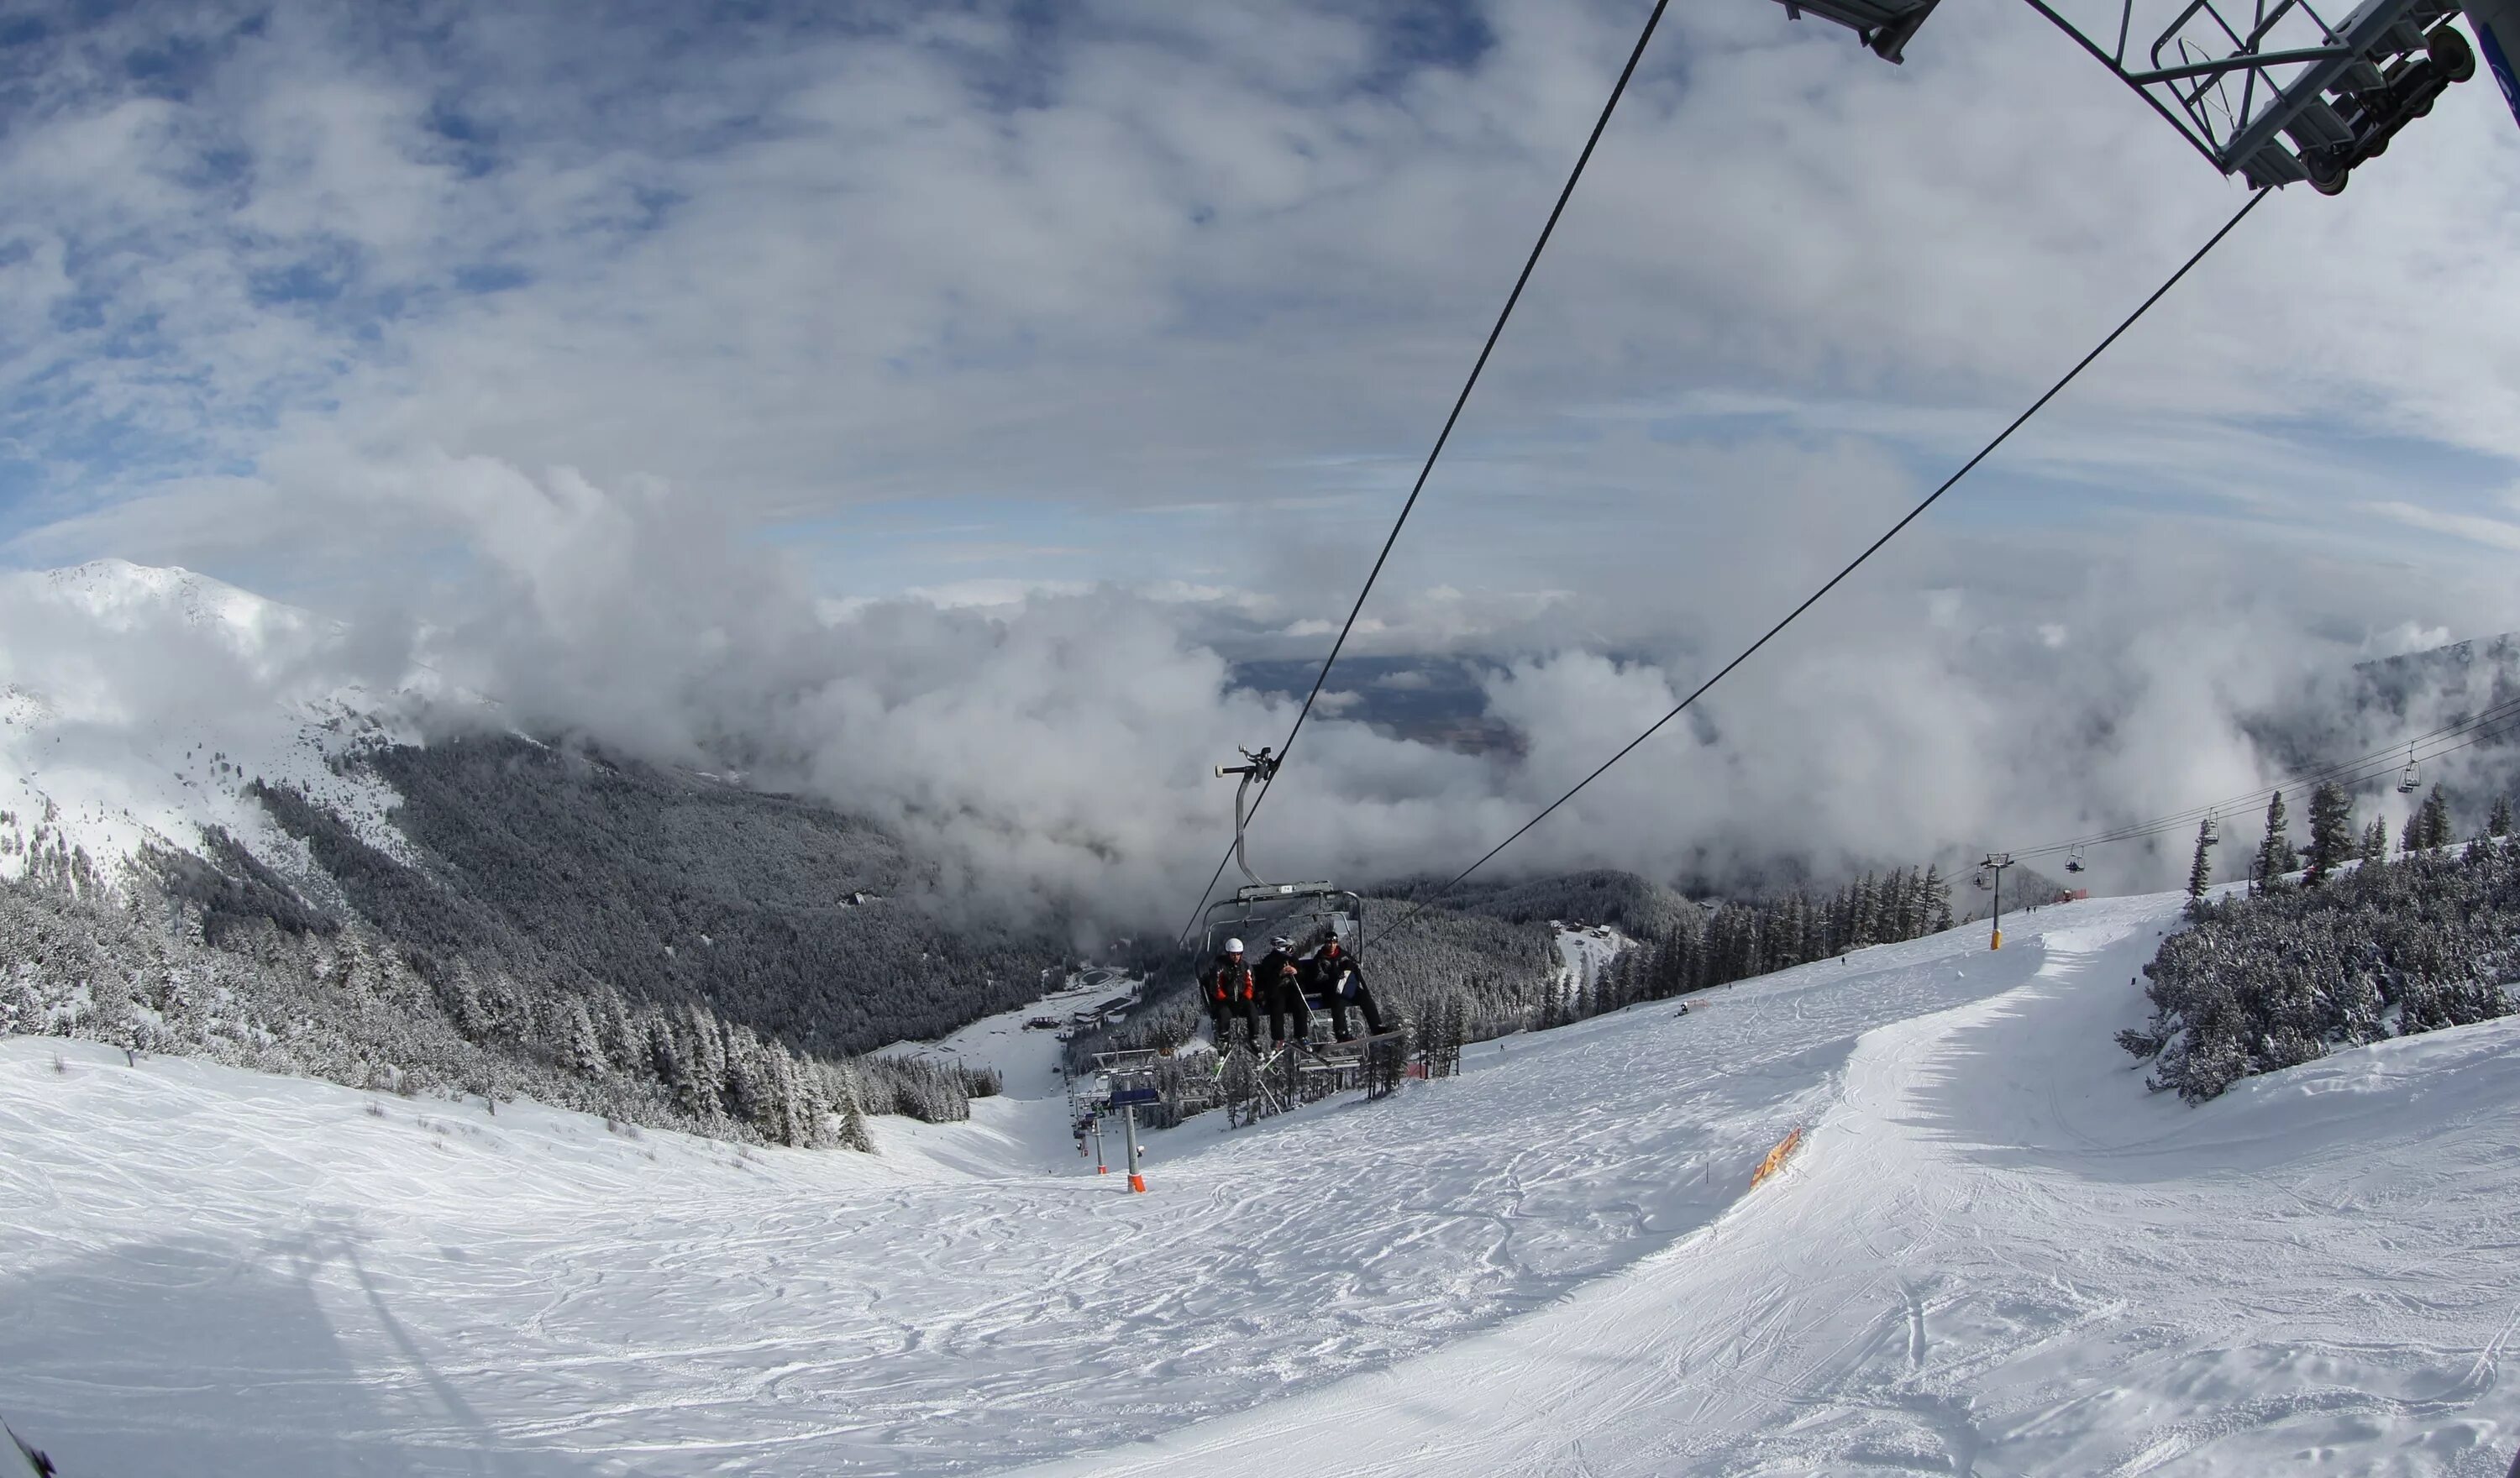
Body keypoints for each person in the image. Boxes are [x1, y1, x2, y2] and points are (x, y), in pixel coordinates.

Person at [1307, 937, 1387, 1041]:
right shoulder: (1319, 959)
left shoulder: (1343, 955)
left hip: (1347, 988)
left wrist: (1351, 968)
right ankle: (1342, 1033)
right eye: (1329, 943)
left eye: (1334, 943)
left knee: (1365, 997)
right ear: (1325, 944)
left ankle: (1377, 1027)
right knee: (1338, 1003)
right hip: (1330, 991)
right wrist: (1333, 974)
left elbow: (1355, 967)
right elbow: (1318, 977)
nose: (1331, 945)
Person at [1253, 935, 1312, 1047]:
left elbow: (1303, 974)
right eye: (1288, 947)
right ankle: (1278, 1038)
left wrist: (1296, 971)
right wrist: (1279, 974)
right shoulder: (1269, 961)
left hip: (1292, 990)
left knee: (1300, 1004)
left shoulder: (1292, 959)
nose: (1291, 950)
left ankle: (1301, 1035)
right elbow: (1266, 980)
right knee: (1277, 1007)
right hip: (1277, 990)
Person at [1203, 938, 1259, 1048]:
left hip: (1242, 998)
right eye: (1233, 954)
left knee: (1253, 1012)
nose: (1236, 957)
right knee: (1224, 1014)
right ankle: (1224, 1039)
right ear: (1228, 953)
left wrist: (1246, 997)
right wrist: (1224, 998)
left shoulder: (1245, 966)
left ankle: (1253, 1038)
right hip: (1225, 1000)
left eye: (1238, 954)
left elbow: (1250, 984)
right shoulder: (1220, 967)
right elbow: (1215, 985)